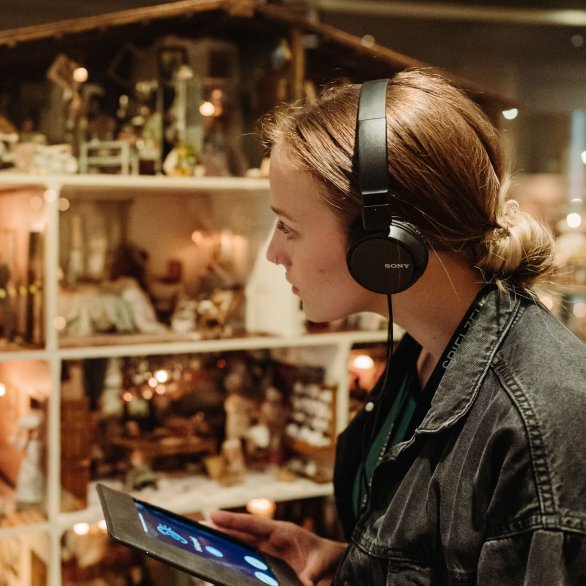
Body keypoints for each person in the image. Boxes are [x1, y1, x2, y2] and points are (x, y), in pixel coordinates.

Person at [210, 69, 586, 584]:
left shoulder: (540, 423)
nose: (274, 254)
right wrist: (345, 561)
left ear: (383, 245)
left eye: (288, 227)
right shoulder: (425, 350)